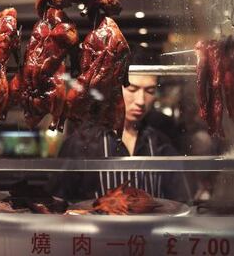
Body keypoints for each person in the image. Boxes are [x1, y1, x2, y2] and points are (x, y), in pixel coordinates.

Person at [49, 47, 193, 202]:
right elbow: (57, 203)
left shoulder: (160, 144)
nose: (140, 101)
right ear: (115, 88)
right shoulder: (81, 144)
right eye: (132, 89)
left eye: (150, 91)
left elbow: (181, 203)